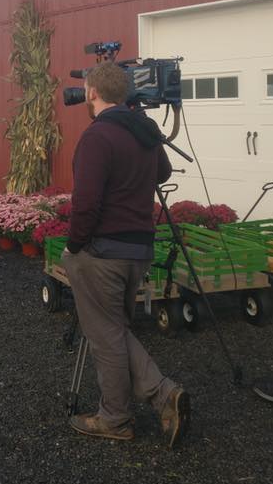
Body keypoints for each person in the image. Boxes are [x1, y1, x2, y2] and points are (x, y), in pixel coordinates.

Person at [61, 61, 190, 448]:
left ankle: (116, 418)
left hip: (103, 251)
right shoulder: (144, 130)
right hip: (139, 249)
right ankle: (163, 395)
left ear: (92, 92)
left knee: (105, 337)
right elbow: (163, 172)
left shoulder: (98, 136)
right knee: (114, 330)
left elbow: (86, 203)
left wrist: (73, 246)